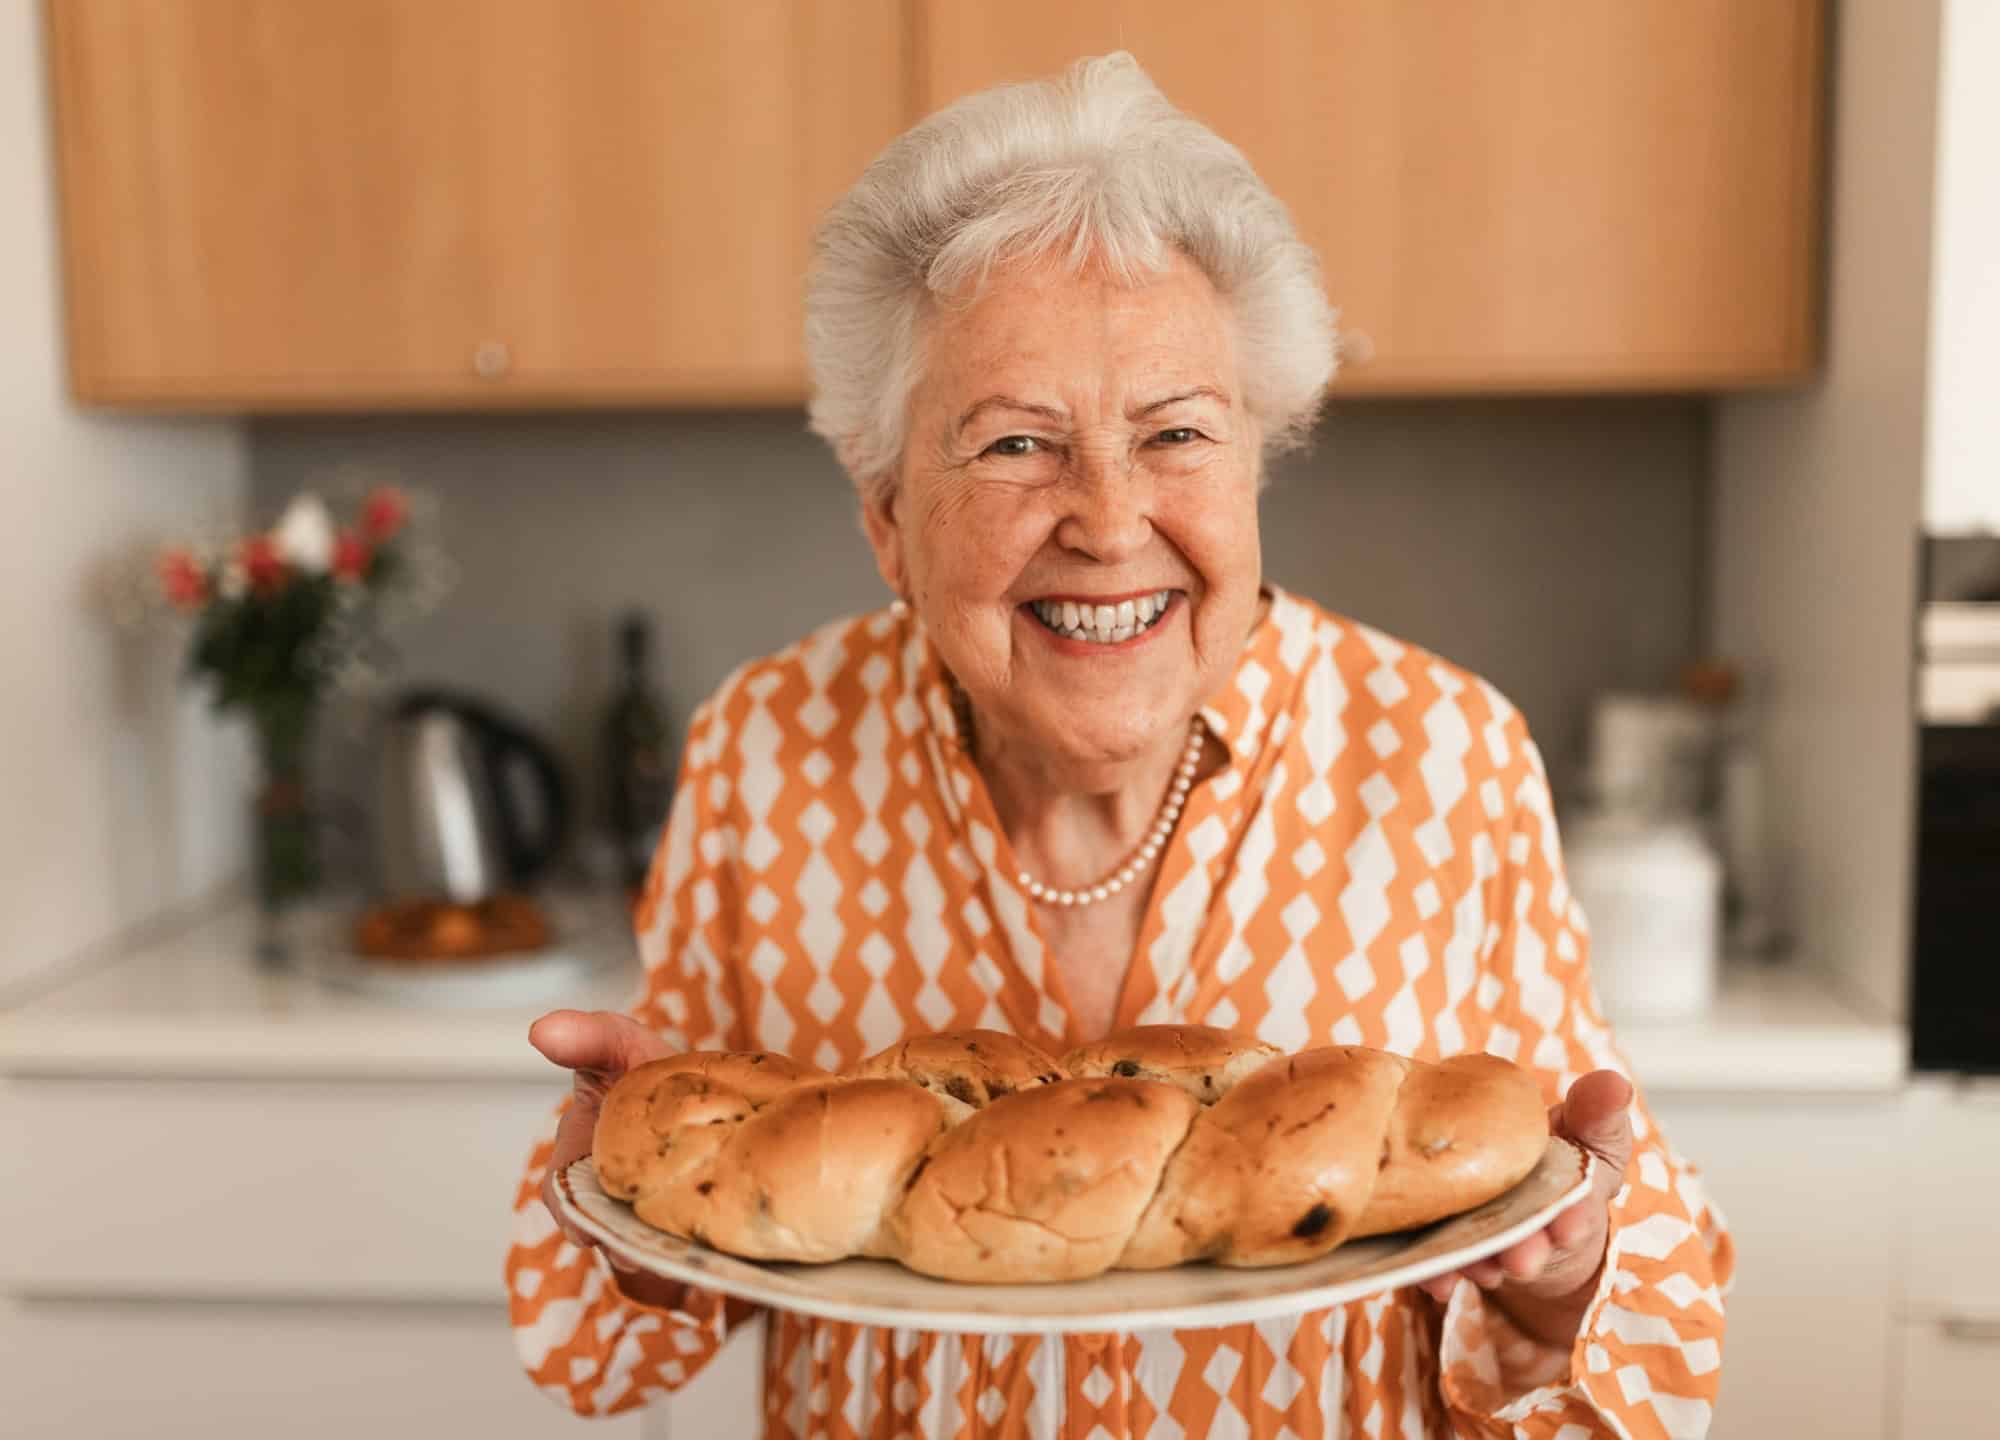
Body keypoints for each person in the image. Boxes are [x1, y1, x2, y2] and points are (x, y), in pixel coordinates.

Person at [507, 53, 1732, 1438]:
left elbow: (1661, 1365)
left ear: (1257, 464)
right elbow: (593, 1362)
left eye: (1177, 434)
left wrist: (1563, 1279)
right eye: (1018, 444)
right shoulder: (771, 751)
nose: (1106, 518)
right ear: (888, 520)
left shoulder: (1441, 756)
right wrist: (619, 1197)